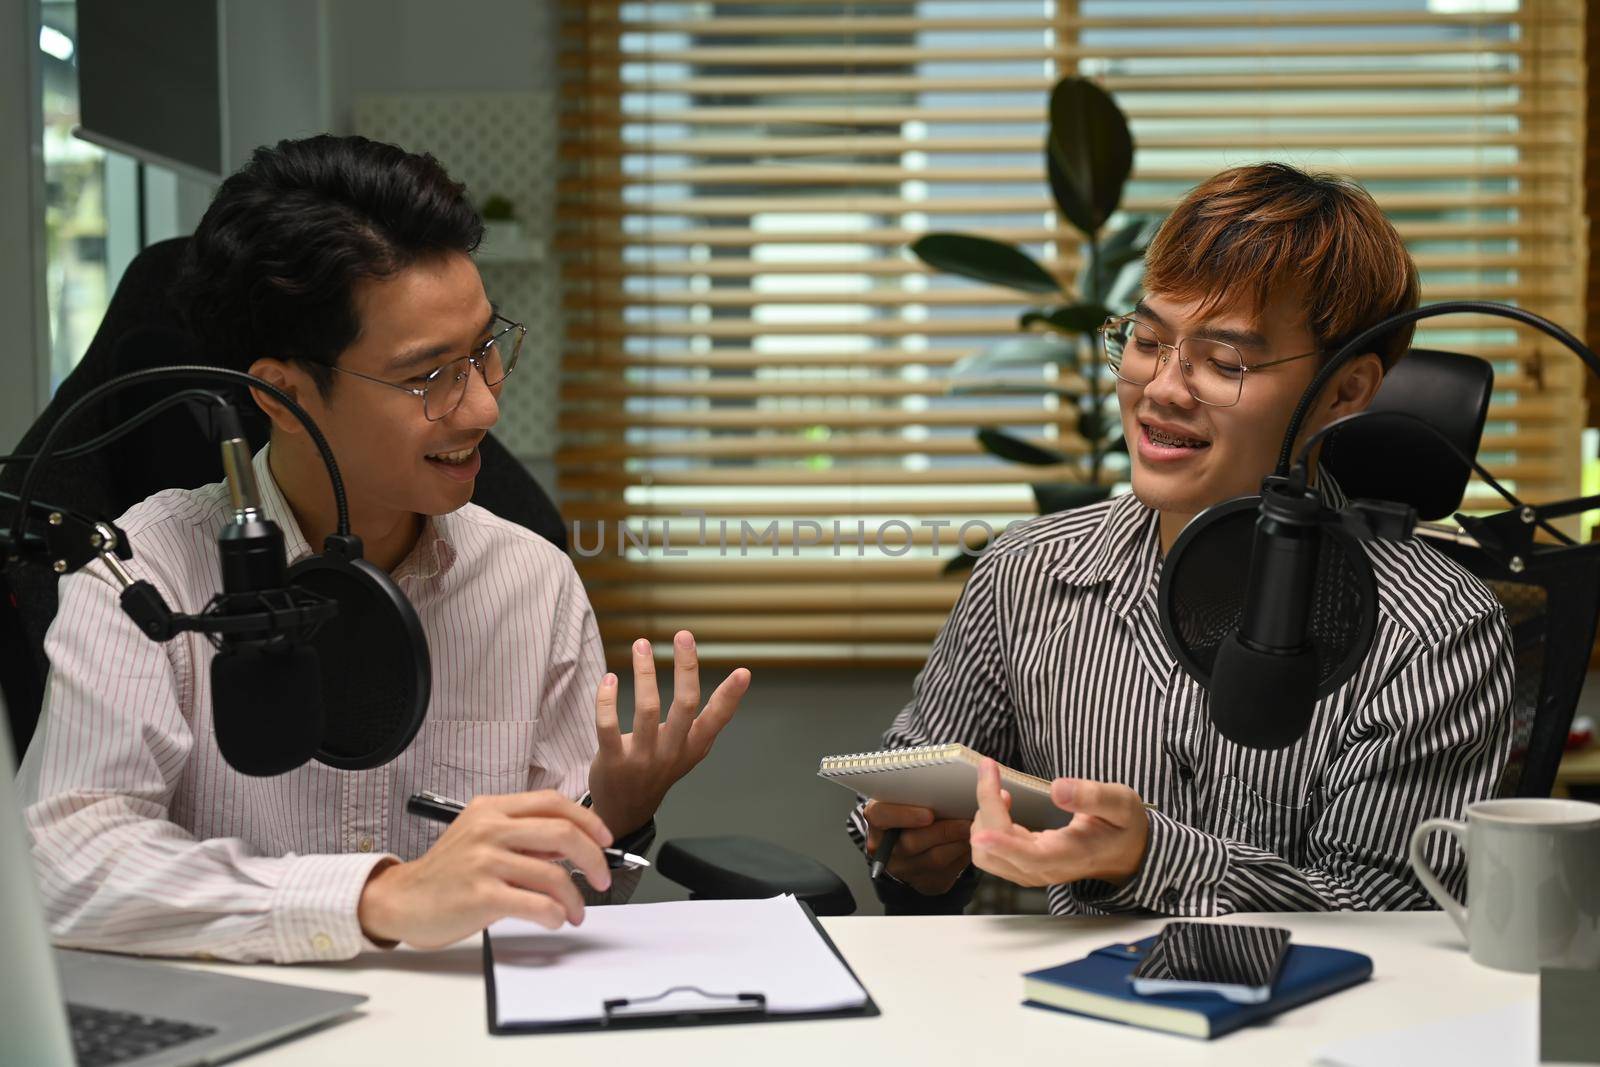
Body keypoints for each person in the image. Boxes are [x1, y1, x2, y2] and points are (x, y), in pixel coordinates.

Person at [20, 135, 750, 961]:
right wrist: (379, 896)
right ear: (284, 396)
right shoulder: (142, 577)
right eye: (429, 375)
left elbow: (564, 911)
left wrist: (616, 810)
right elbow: (64, 866)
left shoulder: (530, 581)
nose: (482, 408)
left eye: (484, 351)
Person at [852, 162, 1513, 916]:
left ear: (1346, 391)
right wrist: (911, 847)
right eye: (1145, 340)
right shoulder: (1025, 572)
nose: (1162, 388)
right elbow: (915, 785)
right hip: (1054, 1019)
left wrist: (1149, 856)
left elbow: (1396, 917)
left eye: (1226, 361)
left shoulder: (1432, 629)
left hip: (1309, 1027)